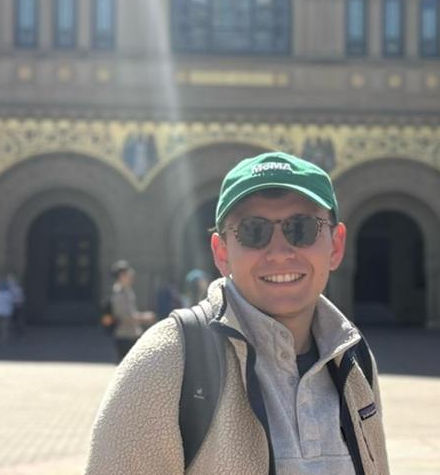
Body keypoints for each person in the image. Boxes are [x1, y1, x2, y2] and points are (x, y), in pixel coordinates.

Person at [86, 152, 390, 475]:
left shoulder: (353, 359)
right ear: (221, 252)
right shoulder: (169, 361)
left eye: (301, 228)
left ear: (336, 245)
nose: (280, 252)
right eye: (253, 231)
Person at [109, 260, 155, 362]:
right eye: (128, 274)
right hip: (124, 337)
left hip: (132, 335)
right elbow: (126, 317)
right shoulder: (119, 294)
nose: (131, 276)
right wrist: (145, 317)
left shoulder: (127, 291)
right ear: (122, 275)